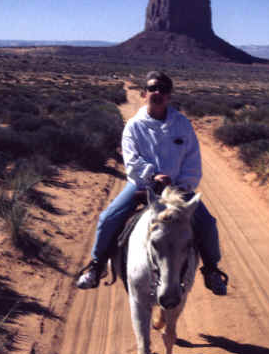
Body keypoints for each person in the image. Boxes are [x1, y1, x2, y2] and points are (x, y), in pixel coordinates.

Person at [77, 71, 228, 295]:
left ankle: (212, 270)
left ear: (169, 96)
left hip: (177, 189)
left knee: (207, 222)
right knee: (108, 218)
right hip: (142, 186)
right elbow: (131, 160)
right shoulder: (134, 126)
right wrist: (152, 176)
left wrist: (183, 185)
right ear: (144, 93)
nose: (158, 93)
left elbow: (192, 159)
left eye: (163, 90)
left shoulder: (182, 125)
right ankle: (97, 266)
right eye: (153, 88)